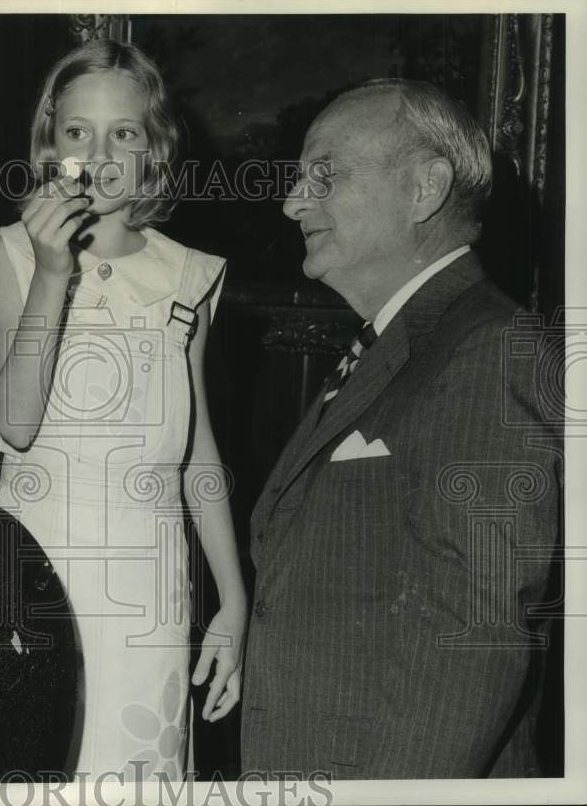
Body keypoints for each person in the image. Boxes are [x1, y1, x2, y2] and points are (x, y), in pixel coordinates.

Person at [240, 79, 562, 778]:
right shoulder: (389, 349)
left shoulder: (490, 349)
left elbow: (468, 638)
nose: (292, 202)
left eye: (322, 174)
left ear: (426, 188)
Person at [0, 39, 247, 779]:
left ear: (155, 148)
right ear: (48, 144)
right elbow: (16, 421)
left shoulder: (189, 275)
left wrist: (233, 600)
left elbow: (198, 453)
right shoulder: (10, 256)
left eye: (124, 133)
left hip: (152, 589)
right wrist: (52, 272)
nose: (98, 155)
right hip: (41, 565)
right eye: (76, 133)